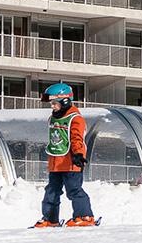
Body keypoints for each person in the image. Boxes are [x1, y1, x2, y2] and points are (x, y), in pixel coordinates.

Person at [34, 84, 99, 227]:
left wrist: (78, 154)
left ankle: (85, 216)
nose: (52, 107)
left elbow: (77, 138)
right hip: (56, 163)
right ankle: (51, 219)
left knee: (74, 190)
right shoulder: (52, 118)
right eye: (51, 104)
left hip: (71, 162)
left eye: (54, 103)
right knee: (51, 191)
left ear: (64, 101)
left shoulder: (75, 118)